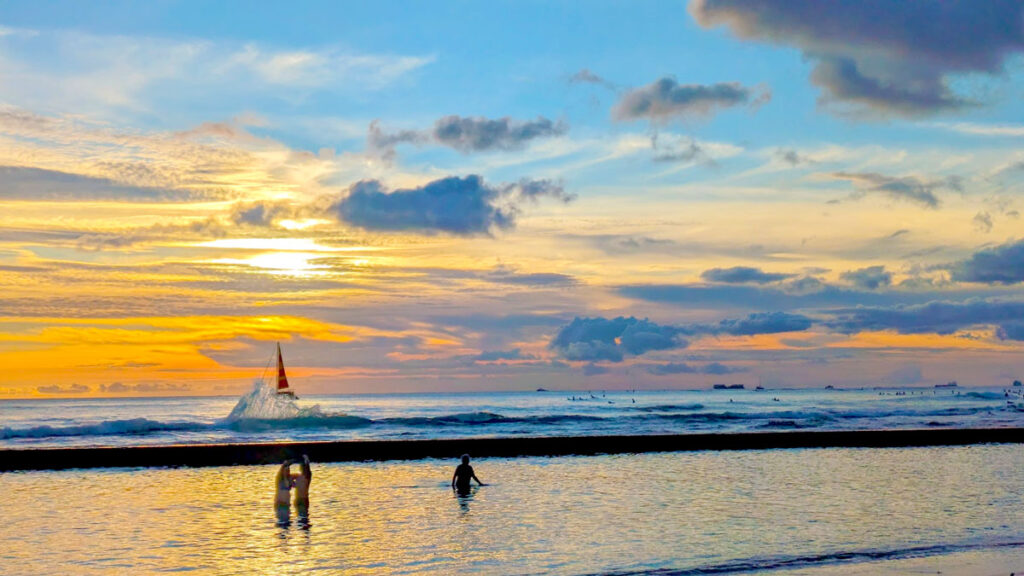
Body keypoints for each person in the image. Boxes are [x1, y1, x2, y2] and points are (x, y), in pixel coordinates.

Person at [274, 459, 294, 524]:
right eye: (286, 470)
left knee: (287, 523)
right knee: (281, 522)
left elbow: (296, 485)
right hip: (280, 504)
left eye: (288, 470)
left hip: (286, 505)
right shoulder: (280, 479)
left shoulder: (289, 479)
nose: (287, 472)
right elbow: (281, 471)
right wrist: (284, 464)